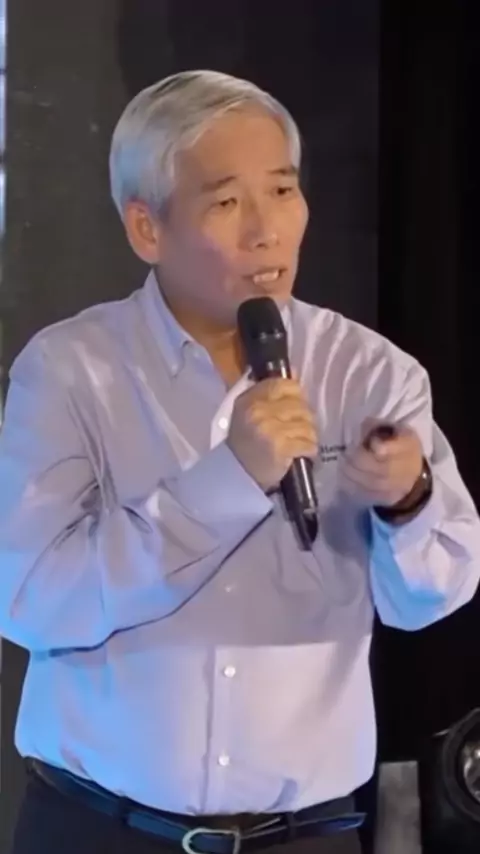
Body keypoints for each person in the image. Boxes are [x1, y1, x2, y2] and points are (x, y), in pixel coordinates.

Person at [0, 70, 479, 854]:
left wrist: (409, 500)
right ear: (147, 228)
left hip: (306, 836)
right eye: (227, 203)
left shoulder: (371, 374)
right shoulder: (70, 371)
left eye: (283, 191)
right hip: (97, 828)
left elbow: (430, 600)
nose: (267, 230)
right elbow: (29, 601)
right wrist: (228, 482)